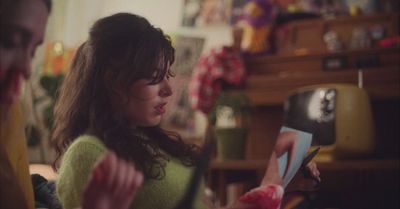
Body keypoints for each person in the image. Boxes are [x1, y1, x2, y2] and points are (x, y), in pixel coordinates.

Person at [52, 12, 320, 209]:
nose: (169, 89)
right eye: (154, 77)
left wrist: (277, 184)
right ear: (113, 80)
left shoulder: (152, 141)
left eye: (167, 75)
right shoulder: (87, 153)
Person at [0, 0, 143, 209]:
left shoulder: (9, 111)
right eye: (9, 41)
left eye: (32, 51)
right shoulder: (86, 150)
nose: (27, 68)